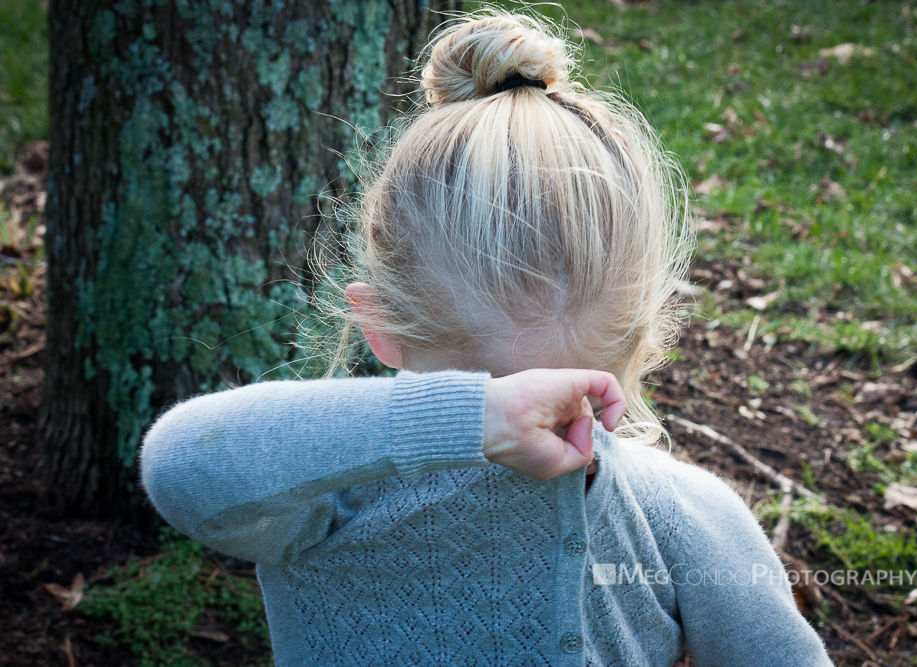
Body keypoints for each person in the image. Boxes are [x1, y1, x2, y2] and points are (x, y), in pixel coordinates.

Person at [140, 8, 835, 666]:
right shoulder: (333, 497)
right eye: (496, 400)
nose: (527, 432)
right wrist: (468, 420)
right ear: (378, 327)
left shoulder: (677, 517)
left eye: (567, 402)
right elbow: (180, 462)